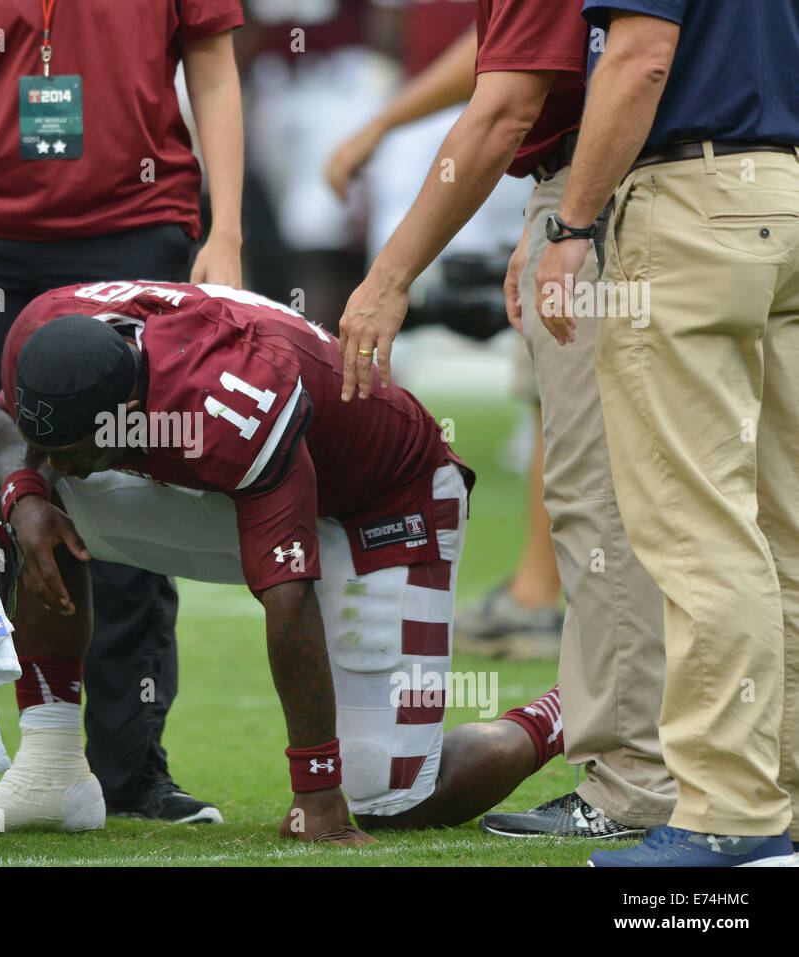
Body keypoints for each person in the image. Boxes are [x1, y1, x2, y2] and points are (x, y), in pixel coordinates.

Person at [0, 280, 567, 841]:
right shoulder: (46, 329)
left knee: (391, 797)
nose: (60, 459)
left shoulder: (232, 403)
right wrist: (24, 491)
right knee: (41, 508)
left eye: (75, 447)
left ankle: (573, 706)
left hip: (383, 502)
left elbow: (287, 594)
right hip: (251, 473)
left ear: (128, 414)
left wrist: (316, 789)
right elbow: (10, 419)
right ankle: (50, 770)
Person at [332, 0, 676, 840]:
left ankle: (634, 779)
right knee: (730, 505)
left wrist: (389, 277)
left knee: (605, 499)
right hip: (726, 190)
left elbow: (508, 104)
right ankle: (757, 771)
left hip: (634, 194)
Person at [0, 0, 246, 825]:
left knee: (126, 494)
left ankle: (129, 765)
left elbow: (215, 71)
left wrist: (227, 229)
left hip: (133, 226)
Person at [535, 0, 799, 868]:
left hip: (692, 203)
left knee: (698, 528)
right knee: (783, 529)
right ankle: (780, 800)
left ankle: (731, 811)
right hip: (784, 196)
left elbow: (642, 57)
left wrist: (571, 225)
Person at [324, 23, 563, 660]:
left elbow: (508, 77)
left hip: (613, 177)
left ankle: (554, 603)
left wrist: (389, 278)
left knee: (567, 395)